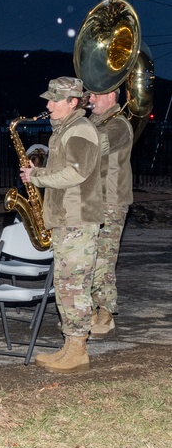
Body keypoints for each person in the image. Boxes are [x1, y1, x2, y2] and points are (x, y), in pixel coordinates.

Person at [20, 76, 102, 373]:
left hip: (78, 220)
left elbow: (77, 173)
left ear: (73, 102)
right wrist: (39, 170)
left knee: (74, 287)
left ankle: (78, 350)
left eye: (55, 99)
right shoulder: (64, 130)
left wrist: (38, 178)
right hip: (67, 220)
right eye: (49, 98)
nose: (48, 104)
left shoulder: (79, 130)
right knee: (65, 286)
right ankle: (70, 345)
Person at [87, 87, 132, 340]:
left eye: (95, 95)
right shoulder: (92, 122)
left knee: (104, 257)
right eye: (89, 94)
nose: (90, 99)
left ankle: (105, 312)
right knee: (90, 257)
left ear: (112, 95)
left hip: (111, 200)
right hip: (91, 199)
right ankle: (89, 310)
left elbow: (97, 145)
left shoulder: (119, 125)